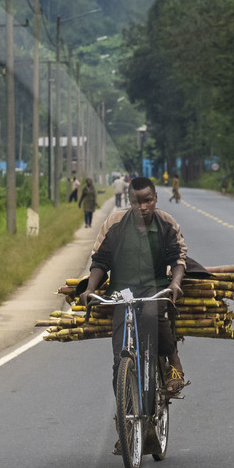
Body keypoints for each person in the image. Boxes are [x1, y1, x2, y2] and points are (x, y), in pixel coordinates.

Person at [79, 177, 190, 447]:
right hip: (122, 293)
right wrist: (89, 289)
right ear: (129, 202)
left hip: (155, 288)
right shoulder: (115, 224)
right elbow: (100, 261)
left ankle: (174, 363)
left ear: (155, 199)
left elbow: (178, 258)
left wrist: (175, 283)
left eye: (147, 200)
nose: (142, 207)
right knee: (120, 360)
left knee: (154, 317)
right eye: (136, 202)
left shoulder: (166, 223)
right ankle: (125, 428)